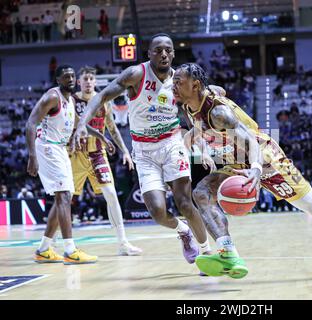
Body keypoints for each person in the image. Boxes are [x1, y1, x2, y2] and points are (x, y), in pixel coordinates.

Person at [172, 63, 312, 279]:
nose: (173, 86)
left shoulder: (219, 113)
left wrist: (257, 170)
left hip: (264, 158)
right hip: (235, 160)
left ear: (195, 85)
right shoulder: (189, 102)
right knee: (201, 193)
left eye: (178, 82)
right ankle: (229, 254)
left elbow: (250, 141)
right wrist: (197, 138)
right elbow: (214, 95)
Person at [71, 34, 211, 264]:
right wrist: (82, 126)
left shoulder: (179, 80)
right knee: (157, 211)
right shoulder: (136, 74)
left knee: (184, 202)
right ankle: (183, 231)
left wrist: (202, 146)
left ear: (174, 54)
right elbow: (102, 96)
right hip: (143, 150)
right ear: (149, 53)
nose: (163, 54)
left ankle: (207, 253)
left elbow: (191, 113)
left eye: (168, 50)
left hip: (171, 143)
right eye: (158, 50)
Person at [26, 65, 108, 264]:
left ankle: (44, 249)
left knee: (63, 196)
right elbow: (30, 124)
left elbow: (80, 123)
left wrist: (101, 137)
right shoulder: (51, 97)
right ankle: (70, 250)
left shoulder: (70, 100)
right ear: (58, 80)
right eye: (66, 76)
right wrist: (32, 156)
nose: (71, 79)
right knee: (63, 196)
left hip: (60, 149)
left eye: (72, 76)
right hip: (47, 148)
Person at [71, 66, 142, 255]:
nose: (88, 82)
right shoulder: (72, 100)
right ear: (79, 82)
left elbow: (112, 128)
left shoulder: (104, 101)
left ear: (95, 82)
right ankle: (51, 243)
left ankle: (123, 244)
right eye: (84, 78)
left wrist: (125, 151)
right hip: (75, 155)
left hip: (97, 154)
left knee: (110, 193)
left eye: (90, 79)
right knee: (65, 198)